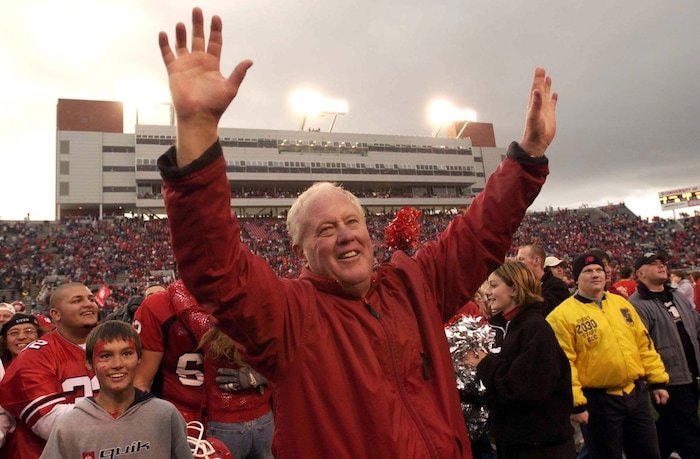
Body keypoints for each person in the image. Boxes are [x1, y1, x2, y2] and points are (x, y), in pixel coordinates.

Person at [157, 7, 558, 457]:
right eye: (326, 228)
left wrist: (527, 157)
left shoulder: (413, 284)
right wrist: (195, 129)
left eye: (352, 222)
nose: (346, 235)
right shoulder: (288, 317)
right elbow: (214, 268)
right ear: (300, 250)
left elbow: (479, 235)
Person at [546, 252, 669, 459]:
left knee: (648, 453)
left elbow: (643, 344)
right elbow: (564, 365)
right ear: (576, 278)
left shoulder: (622, 304)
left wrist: (657, 380)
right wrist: (577, 403)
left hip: (635, 393)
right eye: (587, 271)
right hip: (599, 401)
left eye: (598, 270)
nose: (595, 275)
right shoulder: (561, 316)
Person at [465, 261, 575, 458]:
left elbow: (524, 388)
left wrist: (484, 362)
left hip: (540, 446)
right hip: (517, 442)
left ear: (514, 288)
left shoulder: (535, 328)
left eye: (493, 285)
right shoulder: (509, 326)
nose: (487, 292)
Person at [40, 321, 194, 458]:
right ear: (88, 363)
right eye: (105, 355)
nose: (118, 364)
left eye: (127, 353)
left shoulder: (165, 415)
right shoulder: (69, 425)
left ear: (139, 357)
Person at [0, 282, 100, 458]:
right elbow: (50, 423)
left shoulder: (115, 343)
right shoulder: (33, 356)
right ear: (55, 314)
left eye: (91, 299)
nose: (88, 303)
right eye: (77, 300)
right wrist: (117, 407)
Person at [628, 252, 700, 458]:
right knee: (689, 431)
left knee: (670, 428)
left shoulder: (676, 296)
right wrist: (654, 380)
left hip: (689, 372)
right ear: (640, 273)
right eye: (653, 264)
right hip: (668, 378)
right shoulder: (637, 305)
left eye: (662, 263)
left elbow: (695, 324)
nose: (661, 266)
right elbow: (641, 344)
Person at [132, 280, 204, 424]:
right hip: (179, 409)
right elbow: (141, 381)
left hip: (234, 410)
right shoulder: (157, 306)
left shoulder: (245, 296)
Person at [517, 244, 571, 314]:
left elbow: (543, 311)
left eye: (521, 260)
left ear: (536, 260)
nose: (517, 264)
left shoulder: (556, 286)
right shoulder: (520, 284)